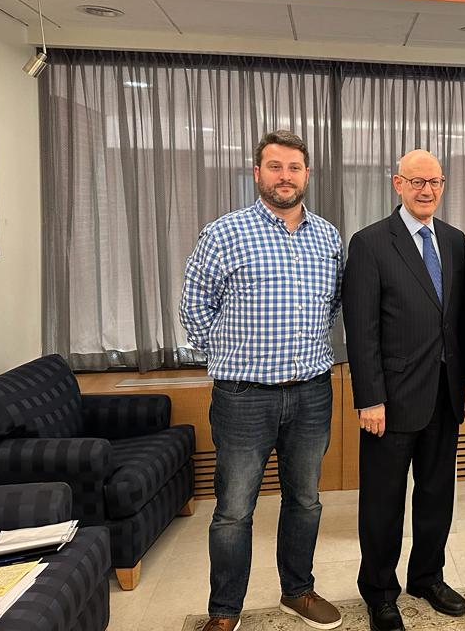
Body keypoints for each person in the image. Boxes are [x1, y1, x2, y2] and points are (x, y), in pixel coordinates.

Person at [180, 129, 345, 631]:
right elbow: (194, 309)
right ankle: (225, 611)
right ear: (257, 173)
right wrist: (232, 357)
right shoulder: (223, 233)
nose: (285, 176)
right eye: (275, 166)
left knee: (306, 501)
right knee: (233, 511)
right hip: (243, 398)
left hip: (312, 393)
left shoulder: (328, 237)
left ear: (307, 174)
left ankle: (298, 591)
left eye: (294, 167)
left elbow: (333, 305)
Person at [342, 149, 465, 631]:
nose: (427, 190)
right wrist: (369, 398)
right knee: (383, 502)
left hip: (445, 393)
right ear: (397, 184)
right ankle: (379, 591)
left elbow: (461, 319)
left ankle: (427, 577)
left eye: (435, 181)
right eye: (417, 181)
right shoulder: (371, 243)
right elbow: (361, 330)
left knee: (437, 494)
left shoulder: (455, 241)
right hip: (391, 400)